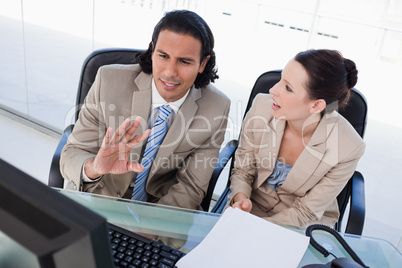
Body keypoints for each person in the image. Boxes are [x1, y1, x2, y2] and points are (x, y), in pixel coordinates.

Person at [60, 10, 230, 210]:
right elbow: (72, 153)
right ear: (152, 51)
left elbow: (191, 187)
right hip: (96, 195)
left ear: (202, 63)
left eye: (184, 61)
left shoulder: (217, 108)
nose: (169, 72)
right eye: (163, 56)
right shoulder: (108, 81)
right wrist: (94, 167)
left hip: (159, 209)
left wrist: (149, 231)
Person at [228, 49, 365, 227]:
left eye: (288, 88)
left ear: (316, 105)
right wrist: (241, 200)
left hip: (300, 223)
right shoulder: (261, 107)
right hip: (250, 209)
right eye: (281, 80)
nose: (272, 90)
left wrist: (255, 227)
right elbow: (242, 171)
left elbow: (306, 212)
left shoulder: (349, 147)